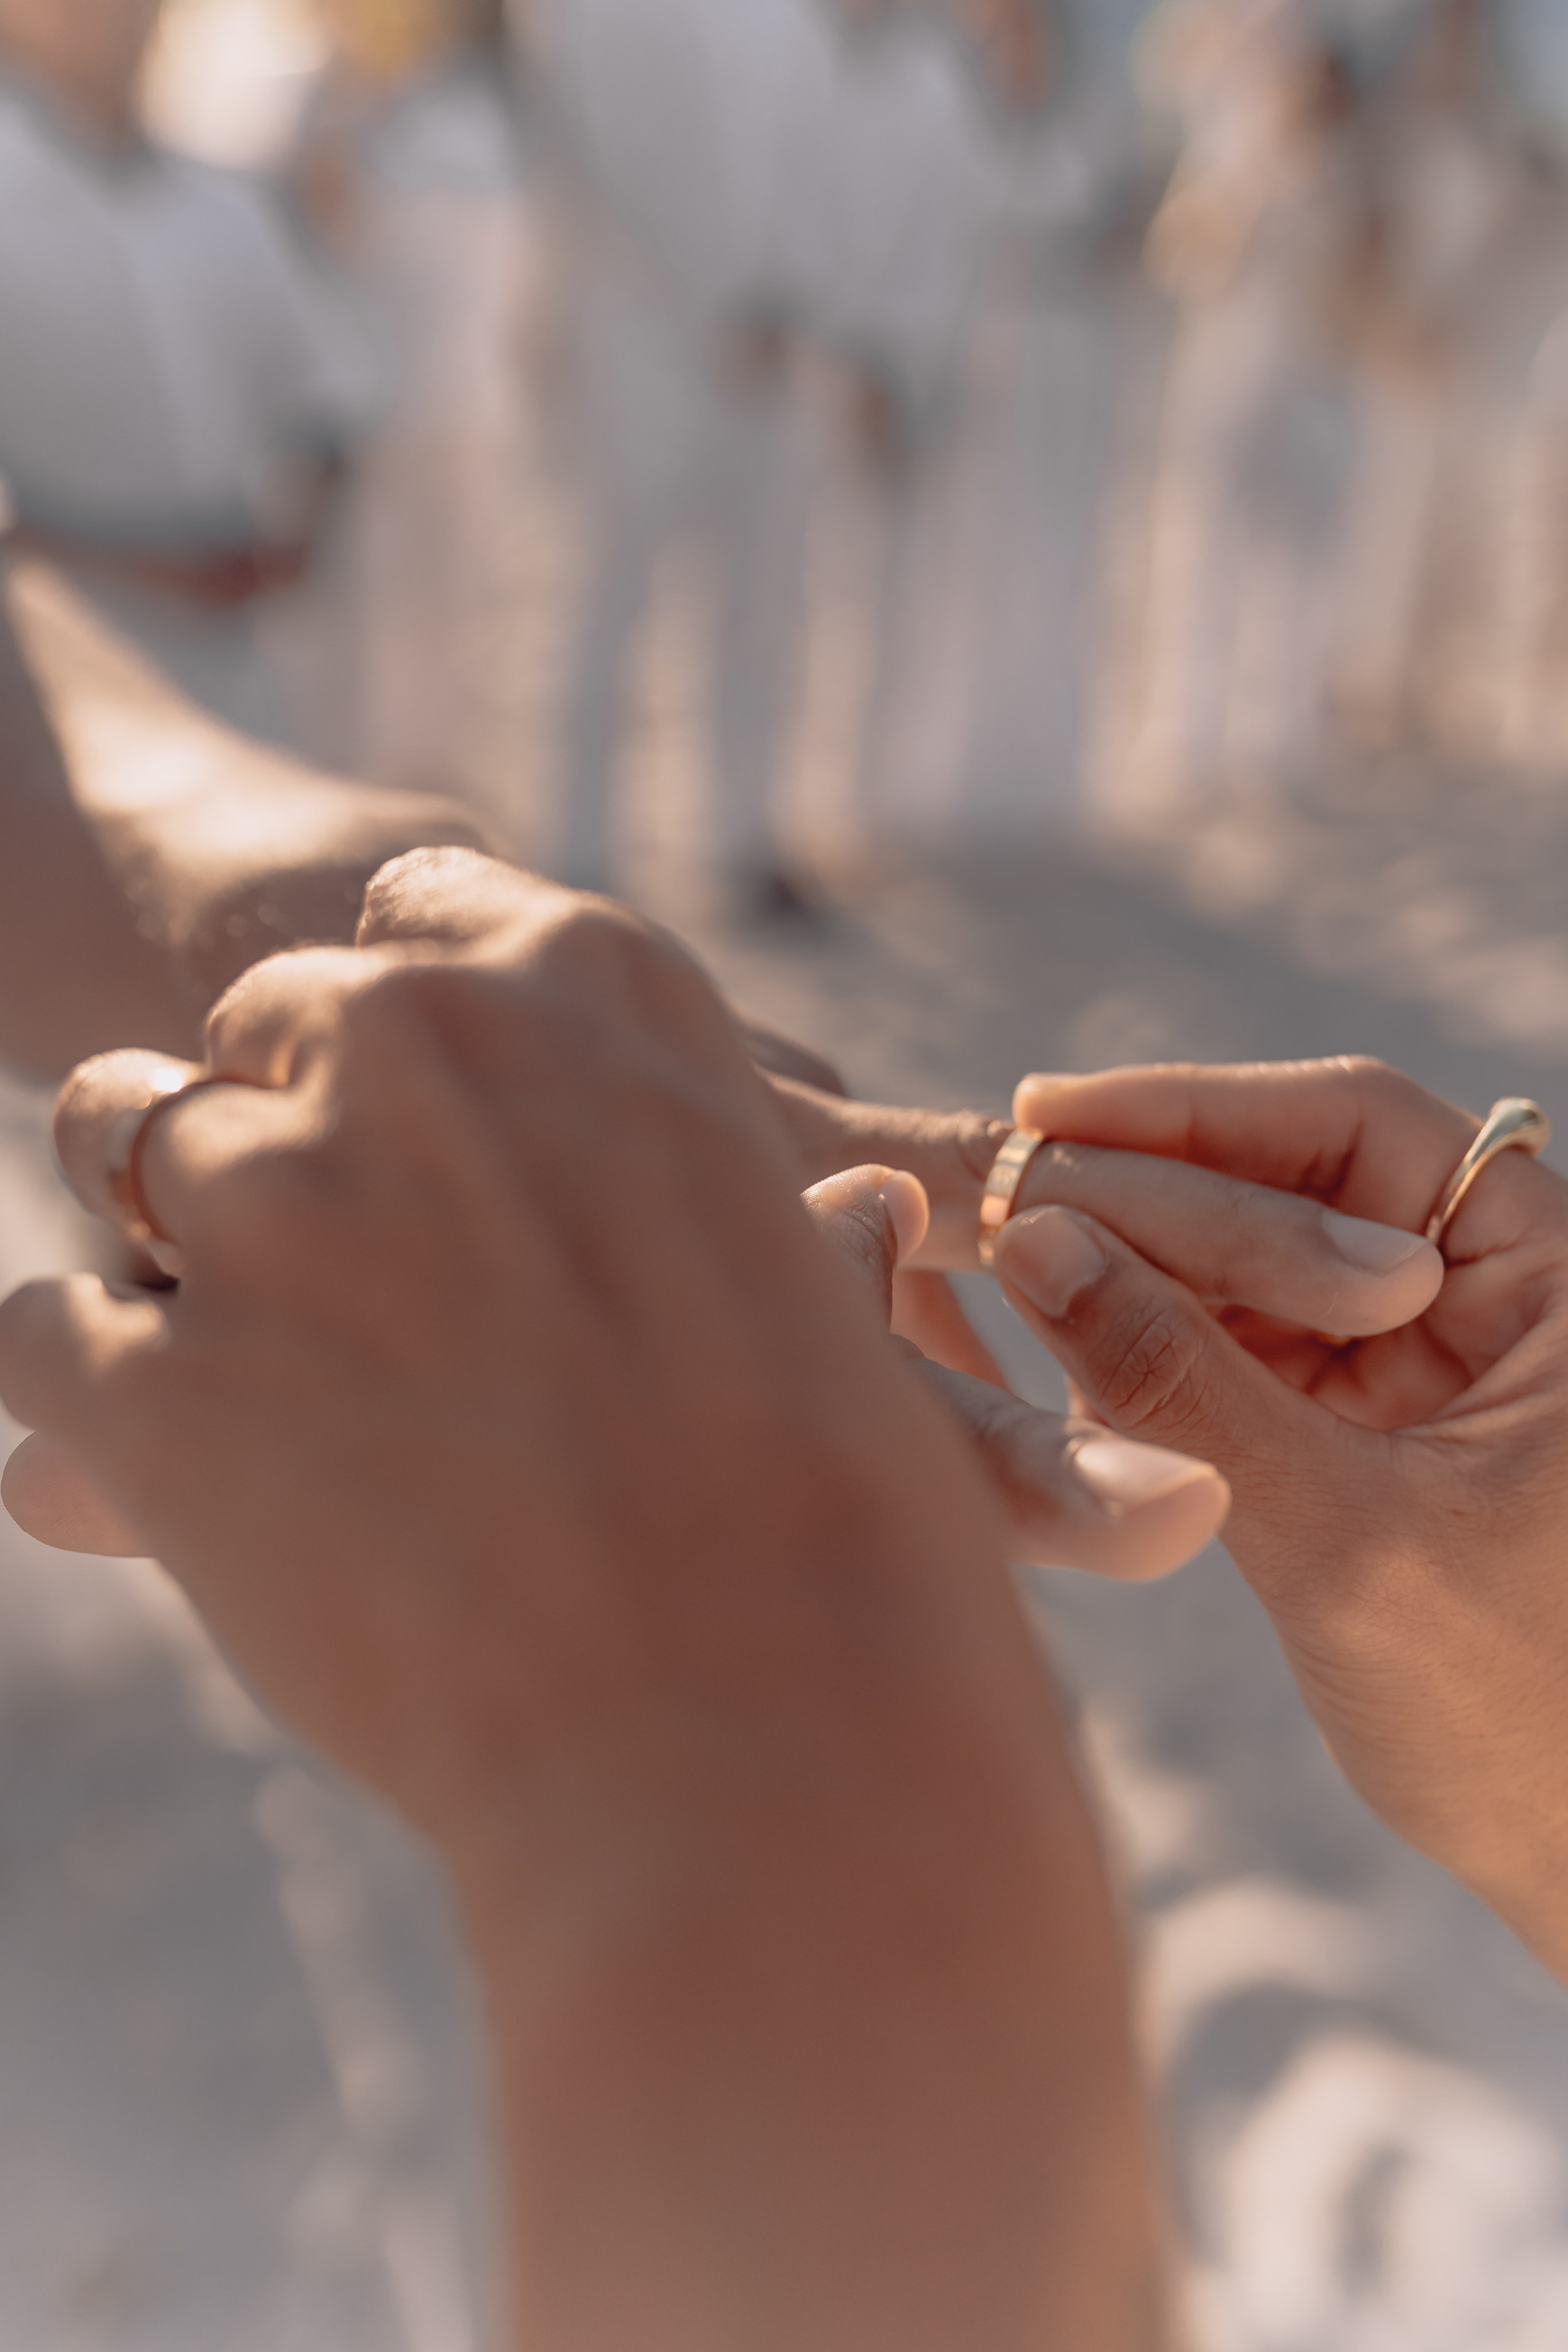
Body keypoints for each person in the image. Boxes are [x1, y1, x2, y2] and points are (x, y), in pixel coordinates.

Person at [0, 0, 384, 743]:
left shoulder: (226, 206)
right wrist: (129, 567)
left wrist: (284, 544)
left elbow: (331, 398)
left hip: (233, 653)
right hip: (44, 676)